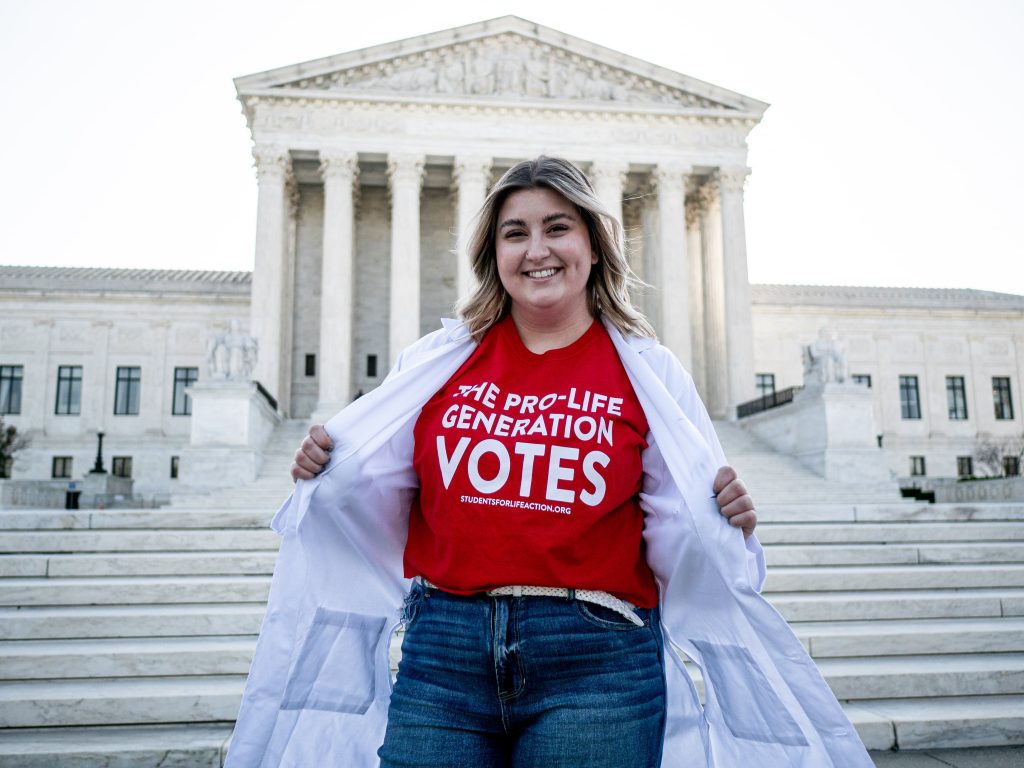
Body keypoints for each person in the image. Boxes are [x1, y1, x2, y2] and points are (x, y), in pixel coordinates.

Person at [226, 157, 873, 767]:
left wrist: (727, 521)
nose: (536, 249)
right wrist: (330, 473)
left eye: (557, 228)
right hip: (444, 648)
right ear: (493, 256)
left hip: (598, 654)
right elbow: (383, 489)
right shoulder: (435, 363)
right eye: (515, 233)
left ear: (592, 245)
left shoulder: (648, 372)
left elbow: (683, 518)